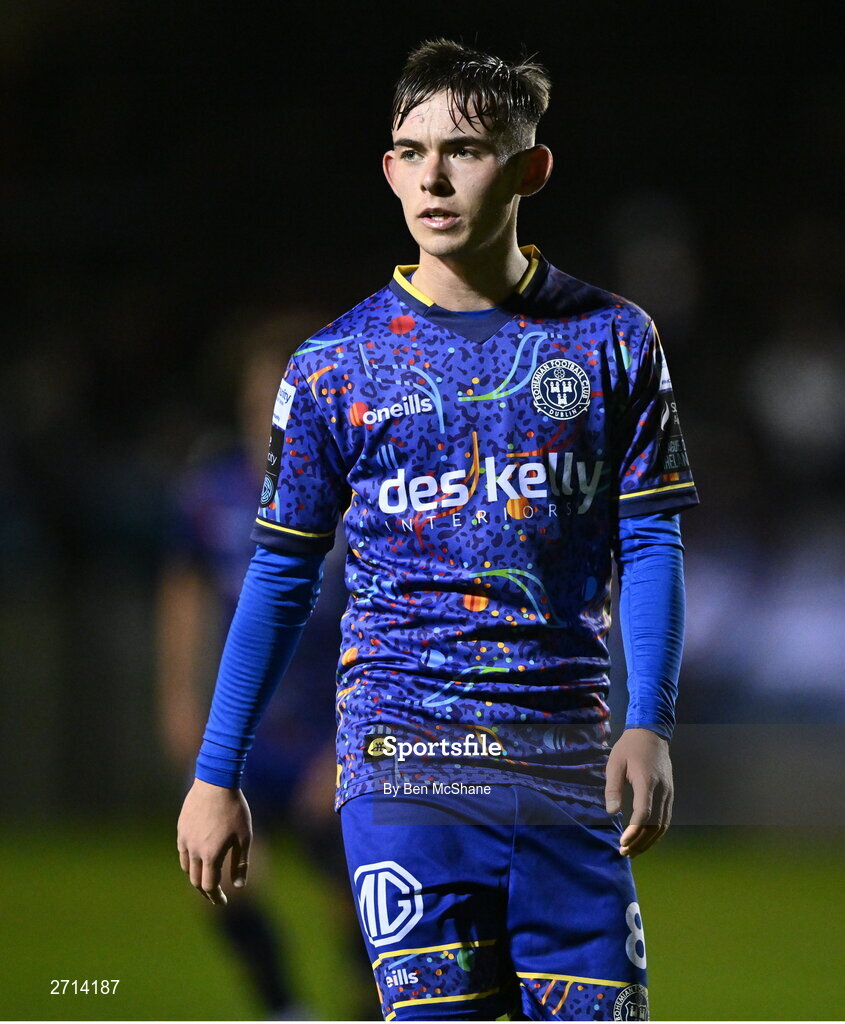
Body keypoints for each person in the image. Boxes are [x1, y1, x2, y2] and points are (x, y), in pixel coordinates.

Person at [177, 38, 698, 1022]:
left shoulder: (612, 340)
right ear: (386, 169)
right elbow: (279, 577)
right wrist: (217, 773)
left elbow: (651, 543)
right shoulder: (334, 366)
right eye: (409, 151)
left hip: (560, 767)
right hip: (406, 769)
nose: (432, 174)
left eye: (462, 149)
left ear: (528, 168)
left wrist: (648, 723)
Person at [159, 318, 370, 1019]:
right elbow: (184, 594)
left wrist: (354, 738)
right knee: (220, 872)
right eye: (265, 391)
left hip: (330, 722)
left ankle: (368, 1005)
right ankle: (283, 1008)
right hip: (245, 723)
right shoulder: (211, 494)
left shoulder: (359, 493)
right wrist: (177, 698)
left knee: (359, 887)